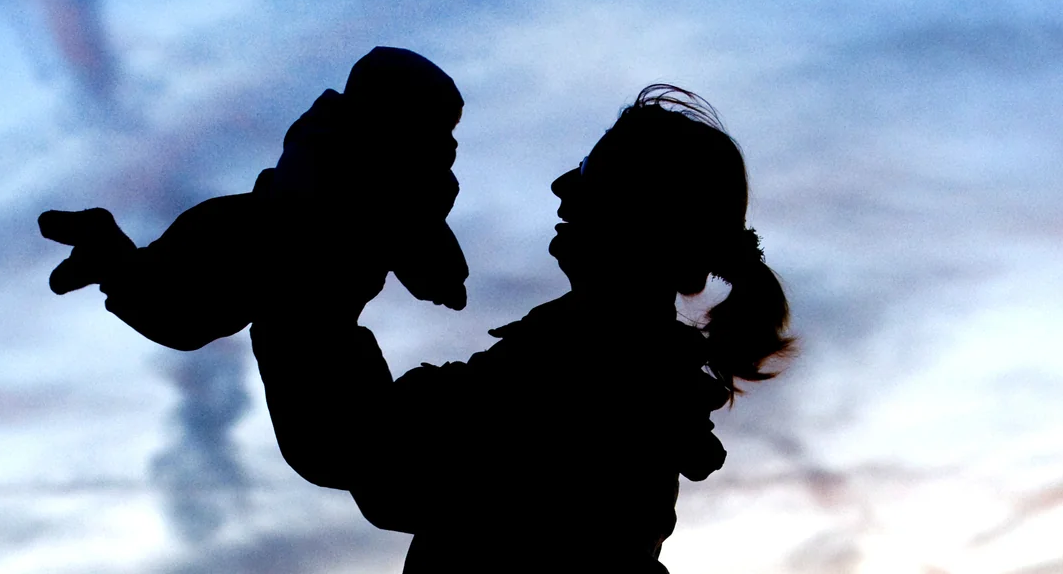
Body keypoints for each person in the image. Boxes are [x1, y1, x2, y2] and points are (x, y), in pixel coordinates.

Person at [249, 85, 794, 573]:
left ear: (640, 213)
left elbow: (365, 451)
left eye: (590, 170)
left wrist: (315, 266)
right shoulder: (618, 366)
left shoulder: (579, 369)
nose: (562, 185)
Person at [38, 46, 470, 349]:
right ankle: (107, 253)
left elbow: (410, 235)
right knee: (181, 316)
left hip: (235, 230)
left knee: (175, 310)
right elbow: (410, 235)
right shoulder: (375, 169)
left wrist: (441, 274)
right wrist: (445, 278)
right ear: (398, 117)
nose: (450, 142)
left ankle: (107, 253)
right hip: (248, 249)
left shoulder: (340, 145)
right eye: (440, 127)